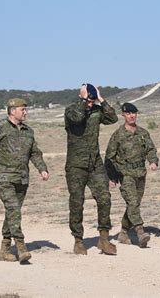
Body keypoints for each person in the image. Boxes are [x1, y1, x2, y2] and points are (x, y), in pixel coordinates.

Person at [0, 98, 49, 263]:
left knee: (12, 212)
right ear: (12, 111)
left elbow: (35, 152)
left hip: (22, 178)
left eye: (26, 109)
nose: (25, 112)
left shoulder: (28, 131)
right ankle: (21, 247)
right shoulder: (0, 127)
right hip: (4, 177)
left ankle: (4, 249)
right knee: (14, 210)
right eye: (22, 109)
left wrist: (42, 168)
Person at [64, 83, 119, 255]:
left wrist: (101, 99)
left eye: (92, 100)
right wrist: (83, 101)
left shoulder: (96, 110)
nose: (90, 103)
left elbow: (113, 118)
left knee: (104, 199)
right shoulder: (71, 110)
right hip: (76, 166)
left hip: (95, 165)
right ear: (81, 97)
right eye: (89, 100)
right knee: (77, 203)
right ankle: (78, 240)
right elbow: (77, 118)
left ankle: (103, 238)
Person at [105, 102, 158, 248]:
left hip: (140, 173)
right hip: (125, 174)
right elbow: (110, 157)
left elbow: (151, 149)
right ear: (123, 115)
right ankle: (140, 232)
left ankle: (123, 232)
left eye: (134, 113)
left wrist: (153, 161)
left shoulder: (143, 133)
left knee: (134, 204)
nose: (132, 116)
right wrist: (112, 177)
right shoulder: (118, 135)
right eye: (128, 113)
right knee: (133, 202)